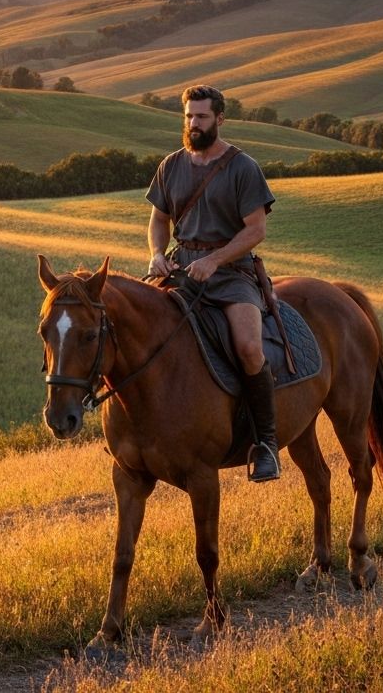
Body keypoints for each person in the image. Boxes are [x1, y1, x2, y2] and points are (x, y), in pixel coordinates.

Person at [145, 84, 280, 481]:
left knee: (249, 347)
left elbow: (255, 231)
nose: (194, 123)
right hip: (180, 268)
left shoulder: (242, 167)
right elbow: (158, 219)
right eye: (189, 116)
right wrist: (156, 253)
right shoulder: (170, 165)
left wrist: (215, 259)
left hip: (232, 273)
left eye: (202, 117)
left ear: (220, 119)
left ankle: (267, 444)